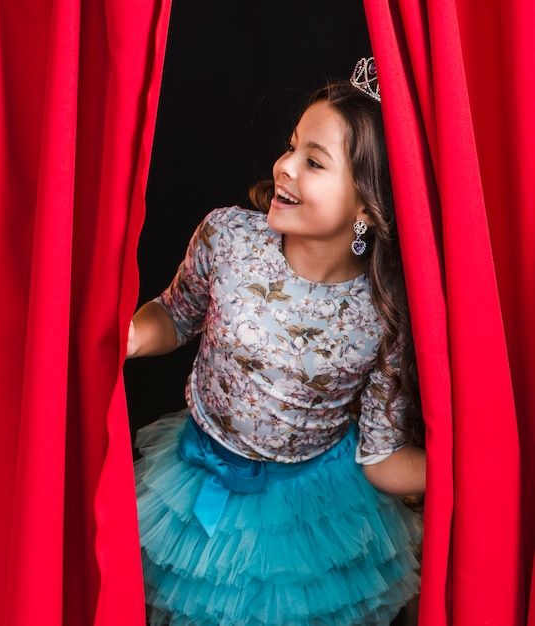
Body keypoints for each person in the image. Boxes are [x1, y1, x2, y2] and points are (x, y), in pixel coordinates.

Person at [127, 57, 425, 626]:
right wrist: (129, 336)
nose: (283, 166)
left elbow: (384, 459)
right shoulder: (230, 237)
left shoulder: (382, 315)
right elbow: (174, 314)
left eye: (313, 161)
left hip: (309, 516)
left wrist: (478, 466)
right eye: (291, 146)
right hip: (194, 487)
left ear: (367, 206)